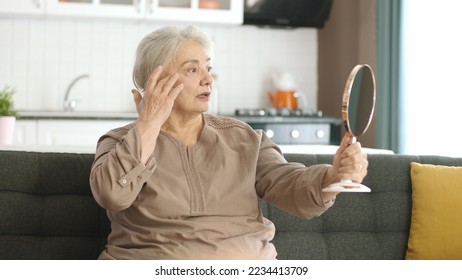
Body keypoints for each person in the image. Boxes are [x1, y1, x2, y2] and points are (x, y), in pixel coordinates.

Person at [89, 25, 368, 260]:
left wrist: (334, 176)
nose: (208, 79)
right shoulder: (117, 142)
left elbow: (290, 185)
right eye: (193, 70)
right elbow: (112, 194)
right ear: (157, 81)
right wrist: (148, 124)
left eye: (208, 68)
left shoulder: (244, 137)